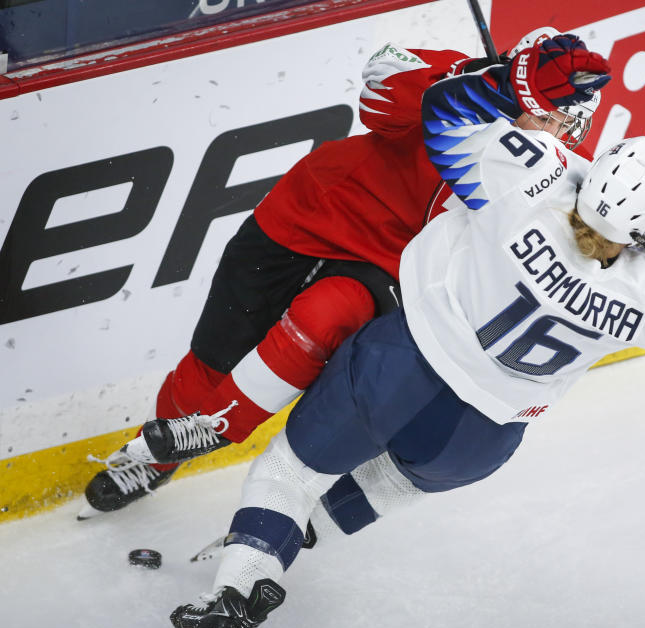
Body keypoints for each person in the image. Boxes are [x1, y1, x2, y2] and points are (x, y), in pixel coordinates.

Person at [162, 35, 645, 628]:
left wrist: (519, 80)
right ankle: (306, 533)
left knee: (290, 471)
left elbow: (447, 115)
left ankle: (242, 581)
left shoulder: (531, 180)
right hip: (482, 437)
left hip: (402, 364)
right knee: (393, 481)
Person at [78, 27, 603, 520]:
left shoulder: (562, 171)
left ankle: (223, 430)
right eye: (550, 114)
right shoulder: (460, 83)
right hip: (305, 215)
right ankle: (156, 459)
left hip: (390, 267)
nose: (559, 133)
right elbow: (377, 96)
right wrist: (470, 83)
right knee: (212, 360)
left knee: (326, 315)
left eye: (569, 122)